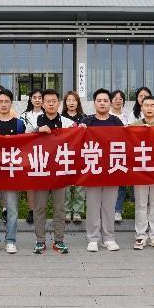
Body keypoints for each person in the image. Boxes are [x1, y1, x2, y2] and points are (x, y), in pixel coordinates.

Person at [80, 88, 125, 252]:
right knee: (92, 206)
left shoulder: (116, 122)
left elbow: (125, 141)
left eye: (105, 101)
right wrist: (80, 129)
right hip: (92, 170)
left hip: (112, 169)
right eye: (99, 100)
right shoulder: (87, 121)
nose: (102, 103)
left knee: (109, 206)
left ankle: (109, 238)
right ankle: (93, 238)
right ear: (94, 103)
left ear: (110, 103)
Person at [32, 89, 75, 254]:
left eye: (54, 101)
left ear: (59, 103)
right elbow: (25, 138)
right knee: (39, 208)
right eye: (47, 101)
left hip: (59, 173)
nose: (51, 104)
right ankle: (40, 241)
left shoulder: (67, 122)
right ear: (42, 104)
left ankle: (59, 240)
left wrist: (82, 128)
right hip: (41, 171)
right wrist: (37, 131)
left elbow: (76, 137)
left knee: (59, 209)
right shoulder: (33, 119)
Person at [0, 89, 25, 254]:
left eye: (6, 101)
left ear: (11, 103)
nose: (3, 104)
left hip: (12, 173)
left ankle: (10, 240)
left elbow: (25, 146)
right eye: (0, 101)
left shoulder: (19, 124)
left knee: (12, 210)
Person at [129, 94, 154, 251]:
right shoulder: (134, 125)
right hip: (140, 170)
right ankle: (140, 235)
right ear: (141, 107)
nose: (149, 108)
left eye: (152, 105)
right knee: (141, 203)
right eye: (146, 105)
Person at [20, 89, 45, 224]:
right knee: (30, 183)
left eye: (39, 97)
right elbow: (21, 133)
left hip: (46, 152)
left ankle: (41, 210)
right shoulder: (24, 116)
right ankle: (31, 210)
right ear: (30, 99)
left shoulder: (47, 115)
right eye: (34, 97)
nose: (37, 100)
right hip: (29, 152)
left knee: (43, 183)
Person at [61, 90, 86, 222]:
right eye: (69, 100)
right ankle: (66, 211)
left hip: (80, 154)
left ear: (78, 102)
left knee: (79, 185)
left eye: (74, 100)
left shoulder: (84, 118)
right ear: (65, 103)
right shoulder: (60, 118)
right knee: (65, 185)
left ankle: (77, 211)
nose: (71, 103)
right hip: (64, 154)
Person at [110, 90, 133, 222]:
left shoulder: (127, 117)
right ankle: (108, 210)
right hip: (108, 153)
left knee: (121, 184)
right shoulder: (107, 115)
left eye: (120, 99)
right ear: (111, 101)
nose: (118, 101)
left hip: (123, 152)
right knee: (109, 184)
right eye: (115, 98)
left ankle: (118, 211)